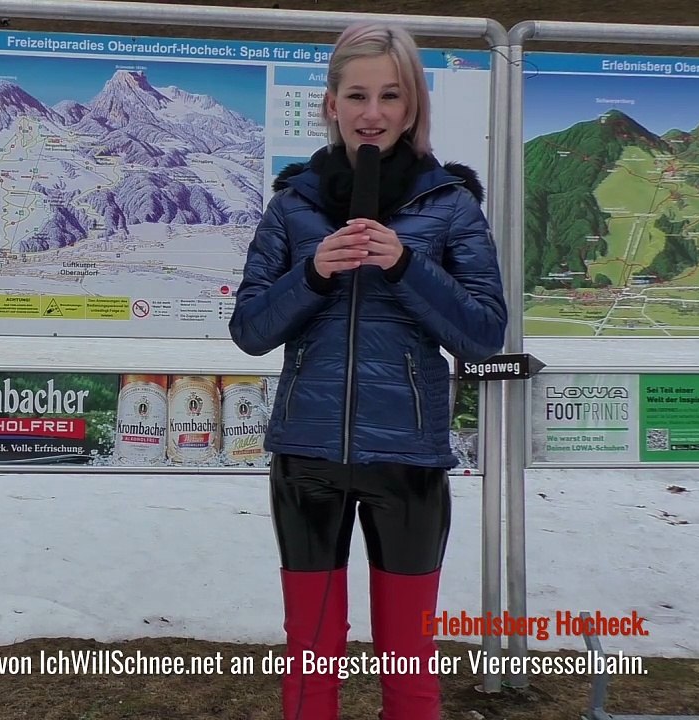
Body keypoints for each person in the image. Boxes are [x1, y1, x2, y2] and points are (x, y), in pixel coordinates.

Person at [228, 22, 508, 720]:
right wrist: (314, 272)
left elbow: (481, 333)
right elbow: (251, 330)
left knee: (409, 664)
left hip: (407, 464)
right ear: (330, 104)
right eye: (356, 95)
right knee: (312, 657)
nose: (372, 112)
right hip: (308, 459)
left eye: (390, 95)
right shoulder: (293, 205)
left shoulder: (451, 207)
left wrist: (408, 265)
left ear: (412, 107)